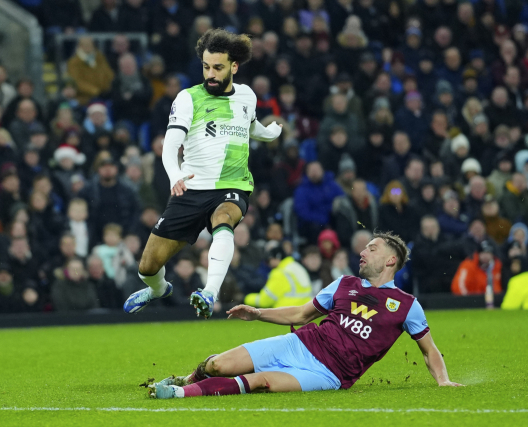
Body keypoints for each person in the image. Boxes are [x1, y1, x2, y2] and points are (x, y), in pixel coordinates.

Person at [147, 231, 463, 398]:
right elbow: (301, 314)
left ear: (391, 260)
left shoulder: (406, 305)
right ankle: (190, 378)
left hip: (328, 374)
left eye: (372, 248)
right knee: (218, 365)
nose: (362, 252)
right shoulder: (344, 284)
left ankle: (177, 393)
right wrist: (257, 313)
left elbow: (429, 350)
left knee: (260, 382)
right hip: (300, 344)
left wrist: (444, 380)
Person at [123, 29, 282, 319]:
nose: (210, 74)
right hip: (191, 189)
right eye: (206, 67)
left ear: (234, 67)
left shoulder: (247, 95)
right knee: (147, 267)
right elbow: (170, 146)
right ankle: (159, 289)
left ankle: (209, 292)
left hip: (233, 185)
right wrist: (174, 175)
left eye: (218, 68)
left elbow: (250, 125)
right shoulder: (188, 99)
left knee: (224, 219)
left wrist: (269, 133)